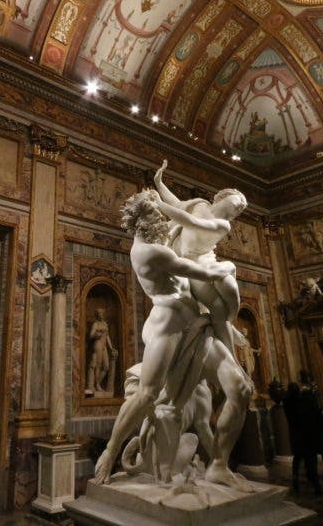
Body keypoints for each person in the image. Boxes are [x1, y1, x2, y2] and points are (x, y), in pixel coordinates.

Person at [93, 189, 254, 490]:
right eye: (157, 214)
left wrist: (162, 186)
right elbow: (197, 271)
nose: (164, 220)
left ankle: (219, 465)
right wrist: (229, 268)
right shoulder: (151, 252)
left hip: (196, 325)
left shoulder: (161, 239)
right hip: (167, 326)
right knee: (147, 395)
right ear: (144, 221)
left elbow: (181, 213)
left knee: (241, 389)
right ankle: (110, 451)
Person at [153, 160, 248, 363]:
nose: (240, 207)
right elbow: (178, 205)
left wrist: (158, 204)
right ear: (222, 196)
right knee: (216, 308)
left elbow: (191, 222)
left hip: (206, 262)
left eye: (240, 209)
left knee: (227, 284)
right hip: (188, 266)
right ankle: (230, 349)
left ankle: (231, 340)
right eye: (238, 200)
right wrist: (159, 184)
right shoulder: (200, 204)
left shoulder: (224, 225)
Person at [87, 308, 117, 393]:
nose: (101, 315)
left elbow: (107, 337)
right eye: (99, 313)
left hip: (104, 347)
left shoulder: (105, 324)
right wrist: (97, 335)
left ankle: (97, 383)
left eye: (102, 313)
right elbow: (90, 335)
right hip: (98, 345)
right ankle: (97, 385)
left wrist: (111, 348)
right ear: (97, 315)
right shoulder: (95, 324)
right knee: (98, 365)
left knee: (106, 367)